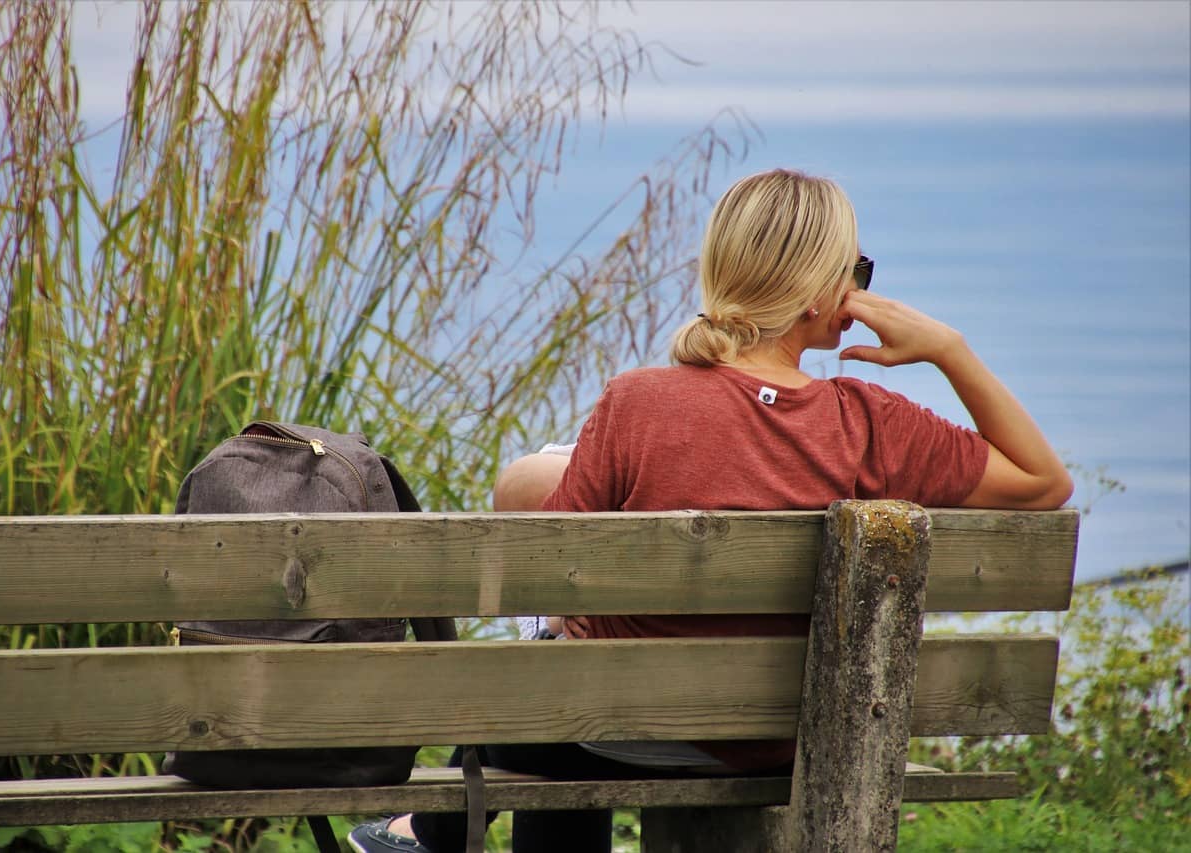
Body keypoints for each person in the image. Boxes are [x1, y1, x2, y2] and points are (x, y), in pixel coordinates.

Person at [347, 168, 1073, 853]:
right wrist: (949, 350)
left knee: (542, 687)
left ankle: (422, 833)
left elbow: (553, 593)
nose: (863, 292)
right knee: (553, 692)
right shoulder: (873, 425)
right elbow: (1044, 481)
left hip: (619, 730)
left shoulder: (638, 402)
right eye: (858, 273)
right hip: (788, 740)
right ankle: (422, 831)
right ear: (820, 297)